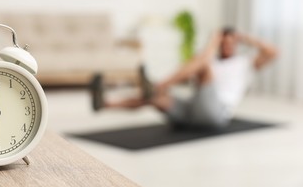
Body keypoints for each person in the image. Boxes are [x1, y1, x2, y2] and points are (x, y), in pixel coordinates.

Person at [90, 28, 278, 129]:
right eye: (224, 43)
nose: (227, 46)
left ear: (237, 44)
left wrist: (242, 37)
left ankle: (157, 85)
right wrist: (214, 44)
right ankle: (104, 104)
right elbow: (196, 65)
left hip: (216, 112)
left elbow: (273, 52)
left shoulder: (244, 63)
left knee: (201, 65)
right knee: (155, 98)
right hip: (192, 111)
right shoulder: (211, 60)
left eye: (231, 43)